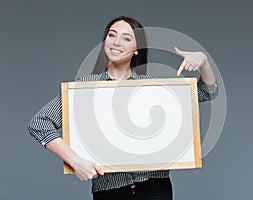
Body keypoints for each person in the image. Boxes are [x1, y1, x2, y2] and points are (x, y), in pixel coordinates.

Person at [28, 16, 218, 200]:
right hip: (109, 191)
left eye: (126, 38)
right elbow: (39, 123)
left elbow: (208, 92)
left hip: (155, 188)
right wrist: (74, 161)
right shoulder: (84, 89)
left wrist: (203, 60)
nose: (116, 42)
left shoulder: (154, 88)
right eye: (112, 35)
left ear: (137, 49)